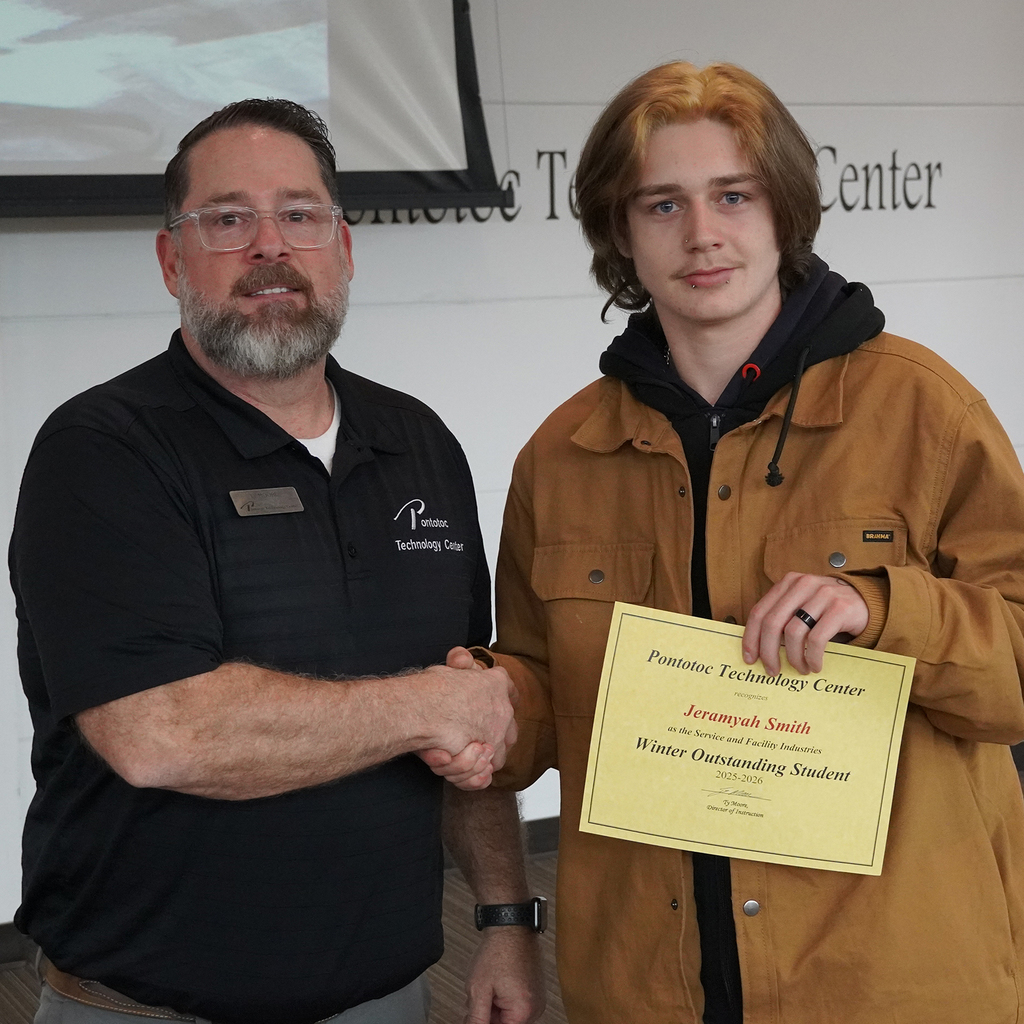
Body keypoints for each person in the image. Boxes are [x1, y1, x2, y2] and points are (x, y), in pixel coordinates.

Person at [488, 61, 1024, 1024]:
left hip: (892, 981)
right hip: (650, 984)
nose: (702, 235)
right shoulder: (560, 456)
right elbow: (542, 693)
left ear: (784, 209)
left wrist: (889, 607)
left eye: (732, 195)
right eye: (661, 204)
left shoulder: (926, 411)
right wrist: (485, 701)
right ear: (619, 232)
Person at [10, 99, 544, 1024]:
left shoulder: (416, 442)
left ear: (341, 246)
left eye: (299, 214)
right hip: (145, 1004)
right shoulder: (102, 450)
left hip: (389, 989)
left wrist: (504, 917)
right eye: (227, 219)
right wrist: (429, 701)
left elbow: (471, 723)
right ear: (173, 258)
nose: (269, 246)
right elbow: (160, 734)